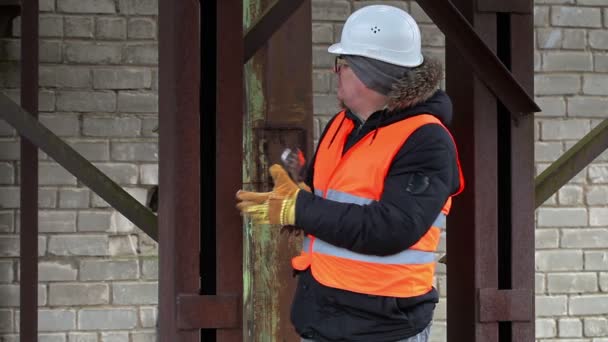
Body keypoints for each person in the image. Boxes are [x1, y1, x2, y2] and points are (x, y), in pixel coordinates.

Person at [236, 5, 464, 342]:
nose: (334, 71)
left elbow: (393, 228)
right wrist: (290, 200)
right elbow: (324, 199)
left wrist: (299, 207)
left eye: (342, 65)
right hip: (324, 318)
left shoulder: (426, 139)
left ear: (370, 75)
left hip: (384, 328)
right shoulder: (342, 125)